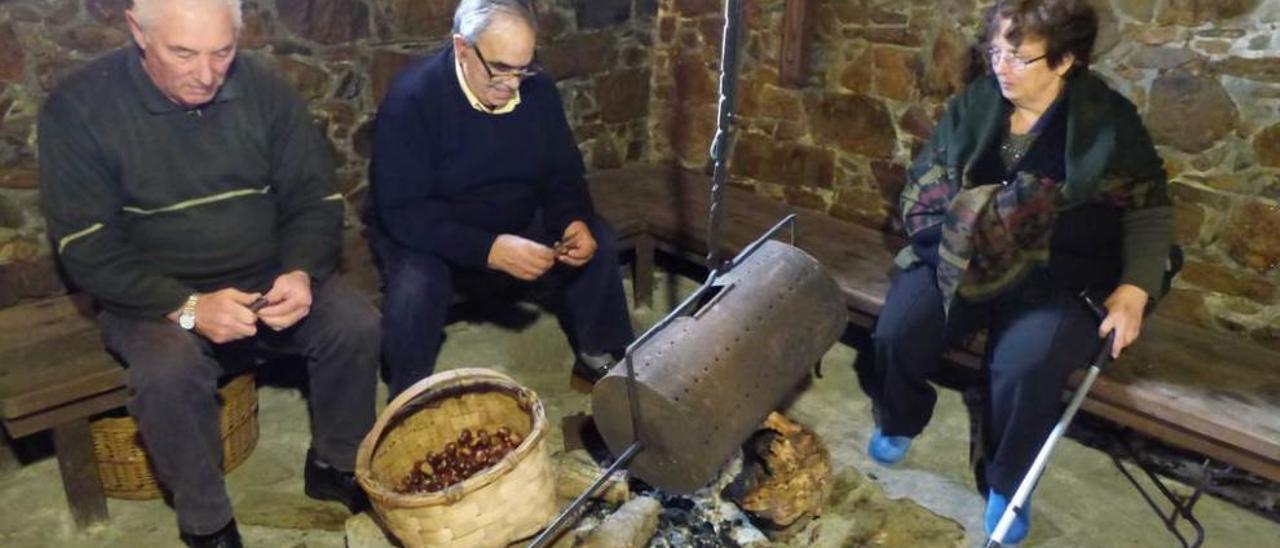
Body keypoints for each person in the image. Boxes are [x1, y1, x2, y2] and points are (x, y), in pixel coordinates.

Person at [37, 0, 380, 546]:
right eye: (183, 53)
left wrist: (299, 271)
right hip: (154, 293)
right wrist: (191, 308)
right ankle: (207, 522)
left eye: (223, 52)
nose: (206, 74)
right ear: (138, 32)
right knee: (167, 373)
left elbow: (314, 198)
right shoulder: (78, 108)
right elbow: (88, 247)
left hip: (265, 273)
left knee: (354, 323)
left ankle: (336, 464)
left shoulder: (266, 91)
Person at [859, 0, 1172, 543]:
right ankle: (901, 416)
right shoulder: (976, 105)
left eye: (1019, 57)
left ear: (1065, 59)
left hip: (1061, 271)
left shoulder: (1108, 121)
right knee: (897, 332)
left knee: (1024, 368)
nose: (1000, 66)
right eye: (995, 51)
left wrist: (1134, 288)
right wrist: (958, 223)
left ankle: (1008, 481)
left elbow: (1149, 206)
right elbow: (926, 178)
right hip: (962, 257)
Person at [367, 0, 635, 397]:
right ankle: (409, 394)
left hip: (513, 212)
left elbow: (561, 171)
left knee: (597, 237)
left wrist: (571, 218)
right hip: (435, 225)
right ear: (462, 48)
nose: (512, 84)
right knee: (415, 285)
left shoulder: (536, 89)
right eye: (500, 69)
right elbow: (402, 212)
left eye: (522, 69)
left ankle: (598, 355)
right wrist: (488, 250)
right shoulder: (413, 98)